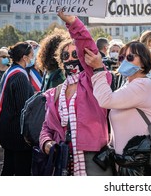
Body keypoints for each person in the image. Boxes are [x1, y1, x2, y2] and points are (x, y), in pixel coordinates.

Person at [39, 12, 112, 176]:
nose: (70, 58)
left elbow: (87, 46)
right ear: (61, 61)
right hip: (63, 158)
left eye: (75, 54)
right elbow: (47, 127)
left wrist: (73, 22)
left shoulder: (92, 82)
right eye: (66, 55)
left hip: (93, 157)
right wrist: (47, 143)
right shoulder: (54, 93)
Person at [84, 40, 151, 175]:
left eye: (130, 57)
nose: (124, 60)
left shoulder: (142, 85)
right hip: (125, 162)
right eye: (121, 57)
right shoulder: (129, 85)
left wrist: (98, 69)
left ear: (143, 61)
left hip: (138, 163)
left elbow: (105, 100)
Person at [0, 41, 35, 175]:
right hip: (17, 133)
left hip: (8, 126)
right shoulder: (19, 76)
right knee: (21, 170)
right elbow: (23, 109)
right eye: (31, 55)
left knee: (9, 168)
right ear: (25, 58)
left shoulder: (11, 70)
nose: (33, 58)